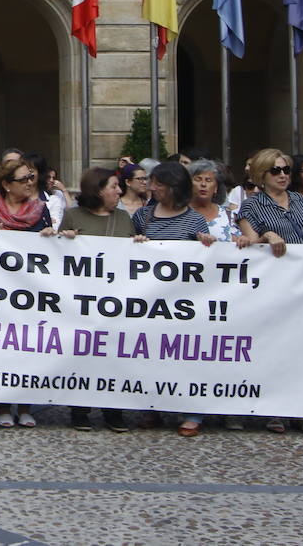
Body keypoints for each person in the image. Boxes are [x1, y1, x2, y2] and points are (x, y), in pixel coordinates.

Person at [235, 148, 303, 434]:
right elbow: (250, 238)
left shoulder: (300, 201)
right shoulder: (252, 205)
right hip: (274, 286)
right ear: (262, 175)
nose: (282, 175)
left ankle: (302, 410)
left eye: (286, 170)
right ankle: (275, 409)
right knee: (277, 347)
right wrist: (267, 235)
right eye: (275, 171)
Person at [129, 161, 215, 437]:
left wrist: (208, 245)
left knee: (185, 355)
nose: (152, 187)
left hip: (183, 303)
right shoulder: (144, 216)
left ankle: (192, 413)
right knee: (150, 354)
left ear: (174, 188)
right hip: (150, 302)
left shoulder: (194, 220)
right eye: (151, 182)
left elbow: (205, 262)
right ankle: (152, 408)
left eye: (158, 184)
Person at [0, 159, 49, 428]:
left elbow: (49, 248)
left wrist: (51, 236)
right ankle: (3, 405)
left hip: (30, 291)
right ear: (5, 184)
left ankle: (26, 405)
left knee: (29, 348)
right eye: (23, 179)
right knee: (3, 348)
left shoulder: (41, 210)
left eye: (31, 178)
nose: (30, 183)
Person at [57, 167, 132, 433]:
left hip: (116, 301)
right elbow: (55, 256)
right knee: (81, 355)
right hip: (81, 301)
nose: (119, 191)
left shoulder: (124, 219)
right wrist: (62, 240)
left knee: (115, 356)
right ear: (98, 190)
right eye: (113, 186)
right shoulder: (73, 216)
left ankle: (114, 411)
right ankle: (80, 410)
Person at [187, 159, 235, 243]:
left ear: (216, 188)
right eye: (198, 179)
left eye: (208, 180)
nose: (203, 184)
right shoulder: (179, 214)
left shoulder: (229, 216)